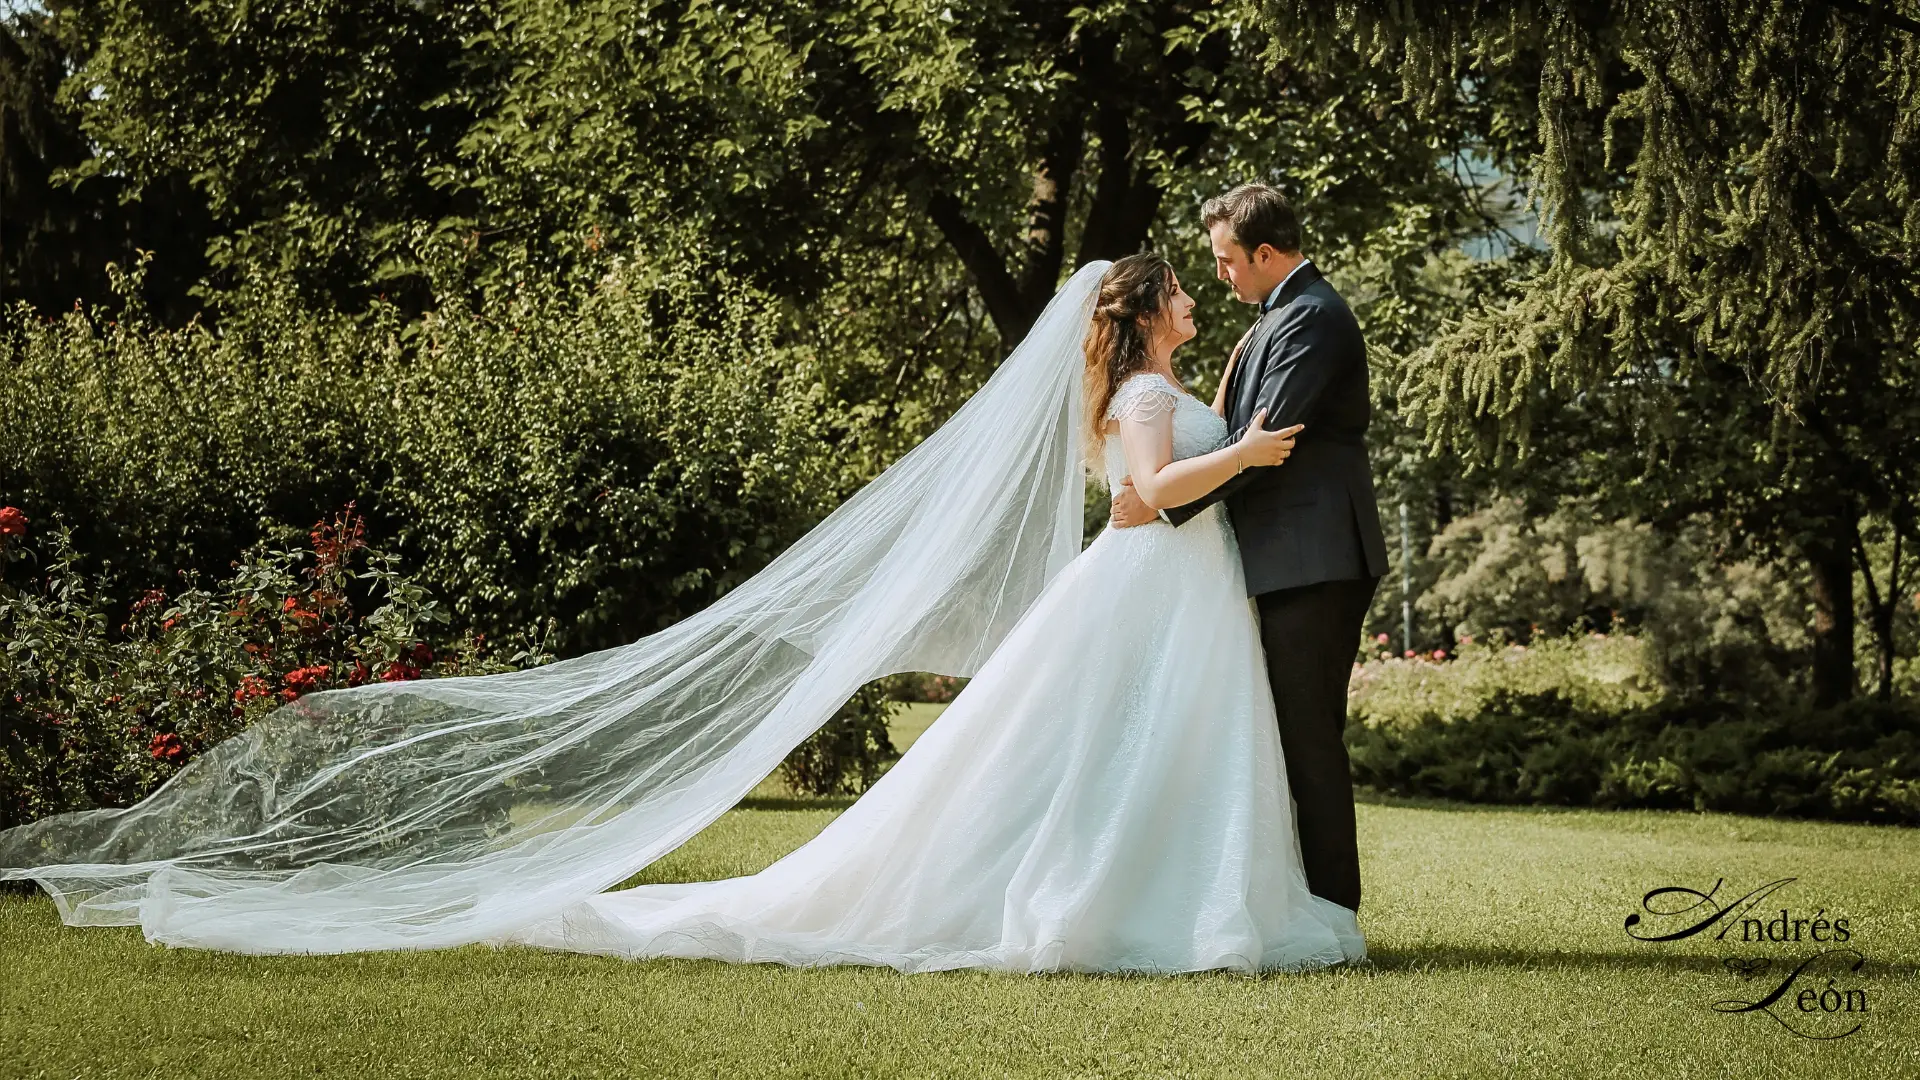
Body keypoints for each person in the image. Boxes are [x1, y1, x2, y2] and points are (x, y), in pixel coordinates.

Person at [0, 254, 1363, 973]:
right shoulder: (1140, 395)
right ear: (1145, 317)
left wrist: (1240, 460)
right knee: (1089, 765)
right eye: (1179, 287)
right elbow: (1138, 503)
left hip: (1179, 608)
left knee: (1142, 763)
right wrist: (1239, 460)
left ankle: (1186, 896)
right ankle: (1108, 904)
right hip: (1145, 589)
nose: (1195, 290)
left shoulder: (1179, 371)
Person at [1109, 184, 1389, 915]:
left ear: (1265, 254)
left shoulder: (1312, 319)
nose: (1219, 274)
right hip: (1284, 558)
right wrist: (1163, 489)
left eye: (1226, 259)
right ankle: (1298, 903)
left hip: (1314, 559)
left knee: (1308, 737)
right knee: (1284, 736)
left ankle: (1333, 911)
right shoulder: (1277, 317)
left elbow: (1270, 441)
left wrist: (1161, 496)